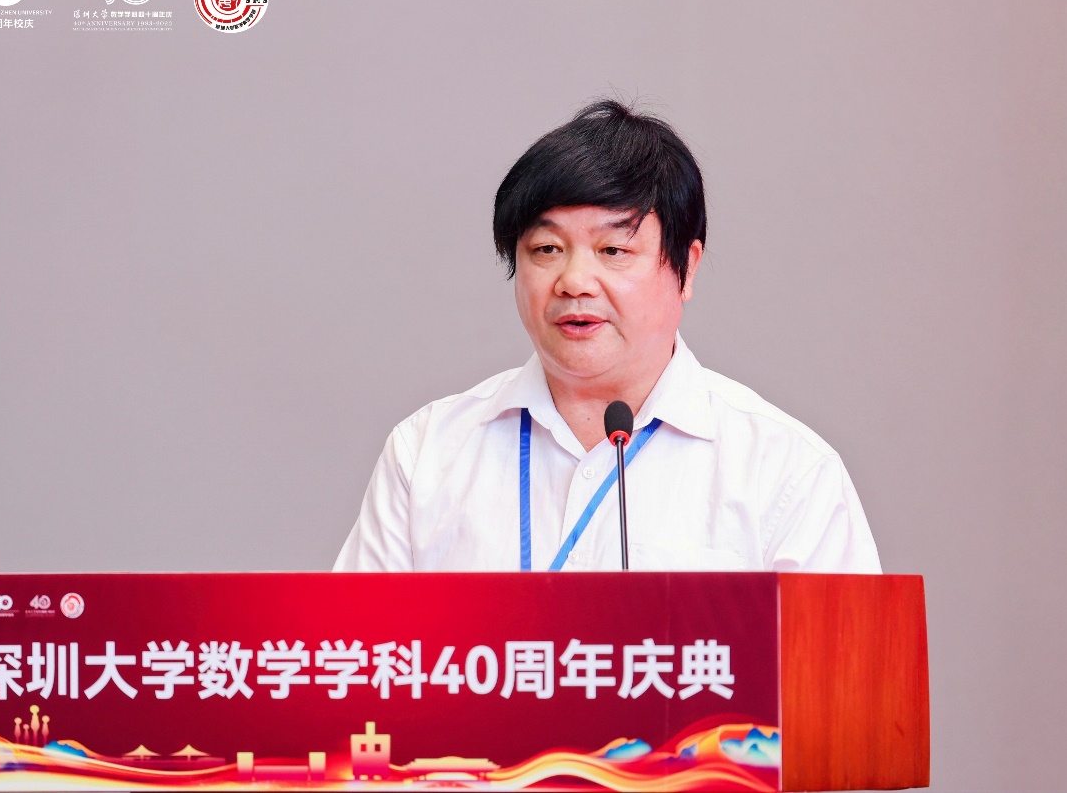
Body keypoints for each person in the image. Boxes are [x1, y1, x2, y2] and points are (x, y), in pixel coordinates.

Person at [334, 100, 880, 573]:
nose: (573, 281)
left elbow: (846, 662)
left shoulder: (785, 471)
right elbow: (353, 654)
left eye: (613, 250)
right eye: (547, 249)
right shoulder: (427, 454)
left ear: (686, 267)